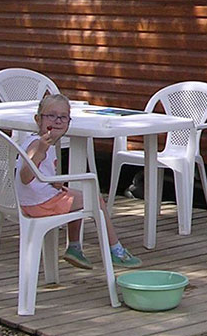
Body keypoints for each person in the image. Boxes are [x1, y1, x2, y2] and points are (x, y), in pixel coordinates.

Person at [17, 93, 142, 270]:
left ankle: (74, 247)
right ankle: (116, 250)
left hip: (34, 199)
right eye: (51, 116)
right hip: (38, 204)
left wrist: (53, 182)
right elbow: (25, 176)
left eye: (63, 117)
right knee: (95, 199)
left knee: (76, 195)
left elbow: (38, 174)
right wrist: (40, 152)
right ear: (38, 119)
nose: (58, 121)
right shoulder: (38, 145)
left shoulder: (39, 141)